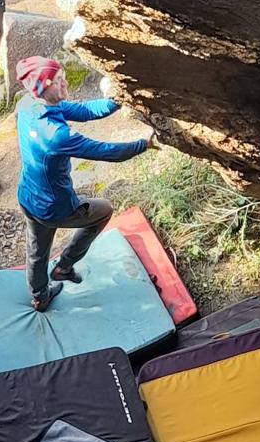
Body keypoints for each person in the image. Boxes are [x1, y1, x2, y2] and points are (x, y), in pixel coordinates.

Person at [16, 56, 157, 312]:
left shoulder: (29, 105)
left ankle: (40, 297)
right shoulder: (57, 136)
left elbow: (83, 111)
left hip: (28, 196)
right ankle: (64, 266)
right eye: (59, 80)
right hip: (55, 207)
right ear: (45, 86)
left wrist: (119, 100)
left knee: (36, 251)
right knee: (103, 211)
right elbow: (106, 151)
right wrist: (143, 144)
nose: (66, 82)